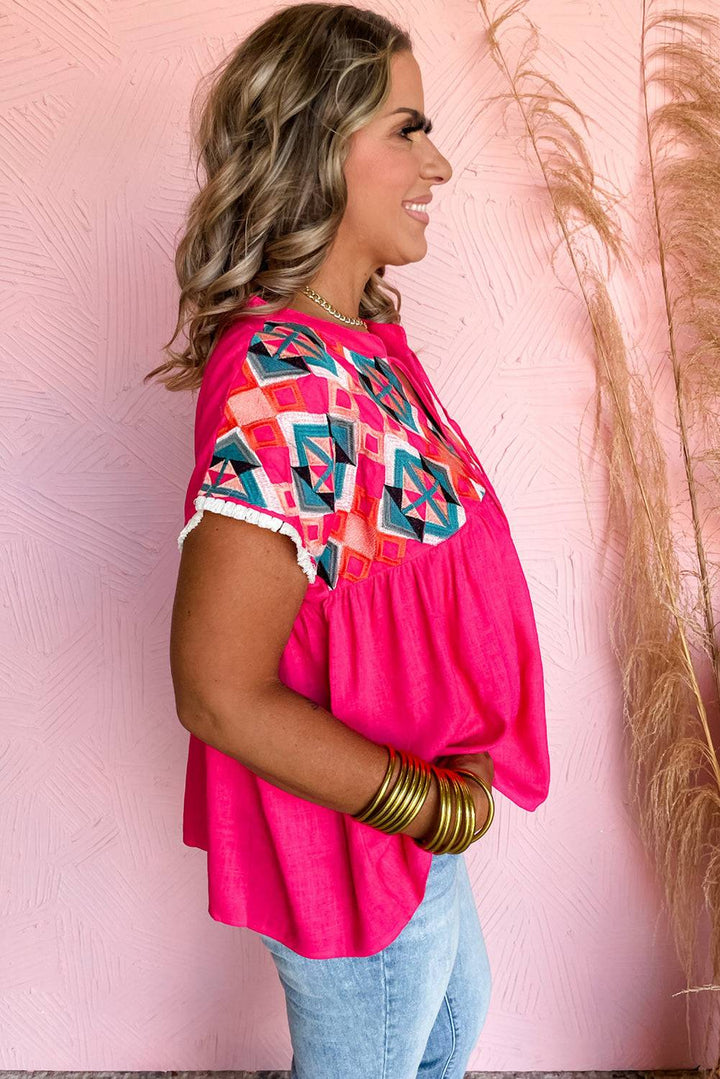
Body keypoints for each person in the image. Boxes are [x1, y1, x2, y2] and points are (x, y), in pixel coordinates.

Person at [146, 4, 551, 1076]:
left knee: (446, 1033)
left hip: (413, 825)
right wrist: (421, 801)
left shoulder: (360, 339)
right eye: (408, 129)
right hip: (357, 834)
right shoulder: (287, 378)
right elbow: (218, 689)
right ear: (321, 148)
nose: (440, 164)